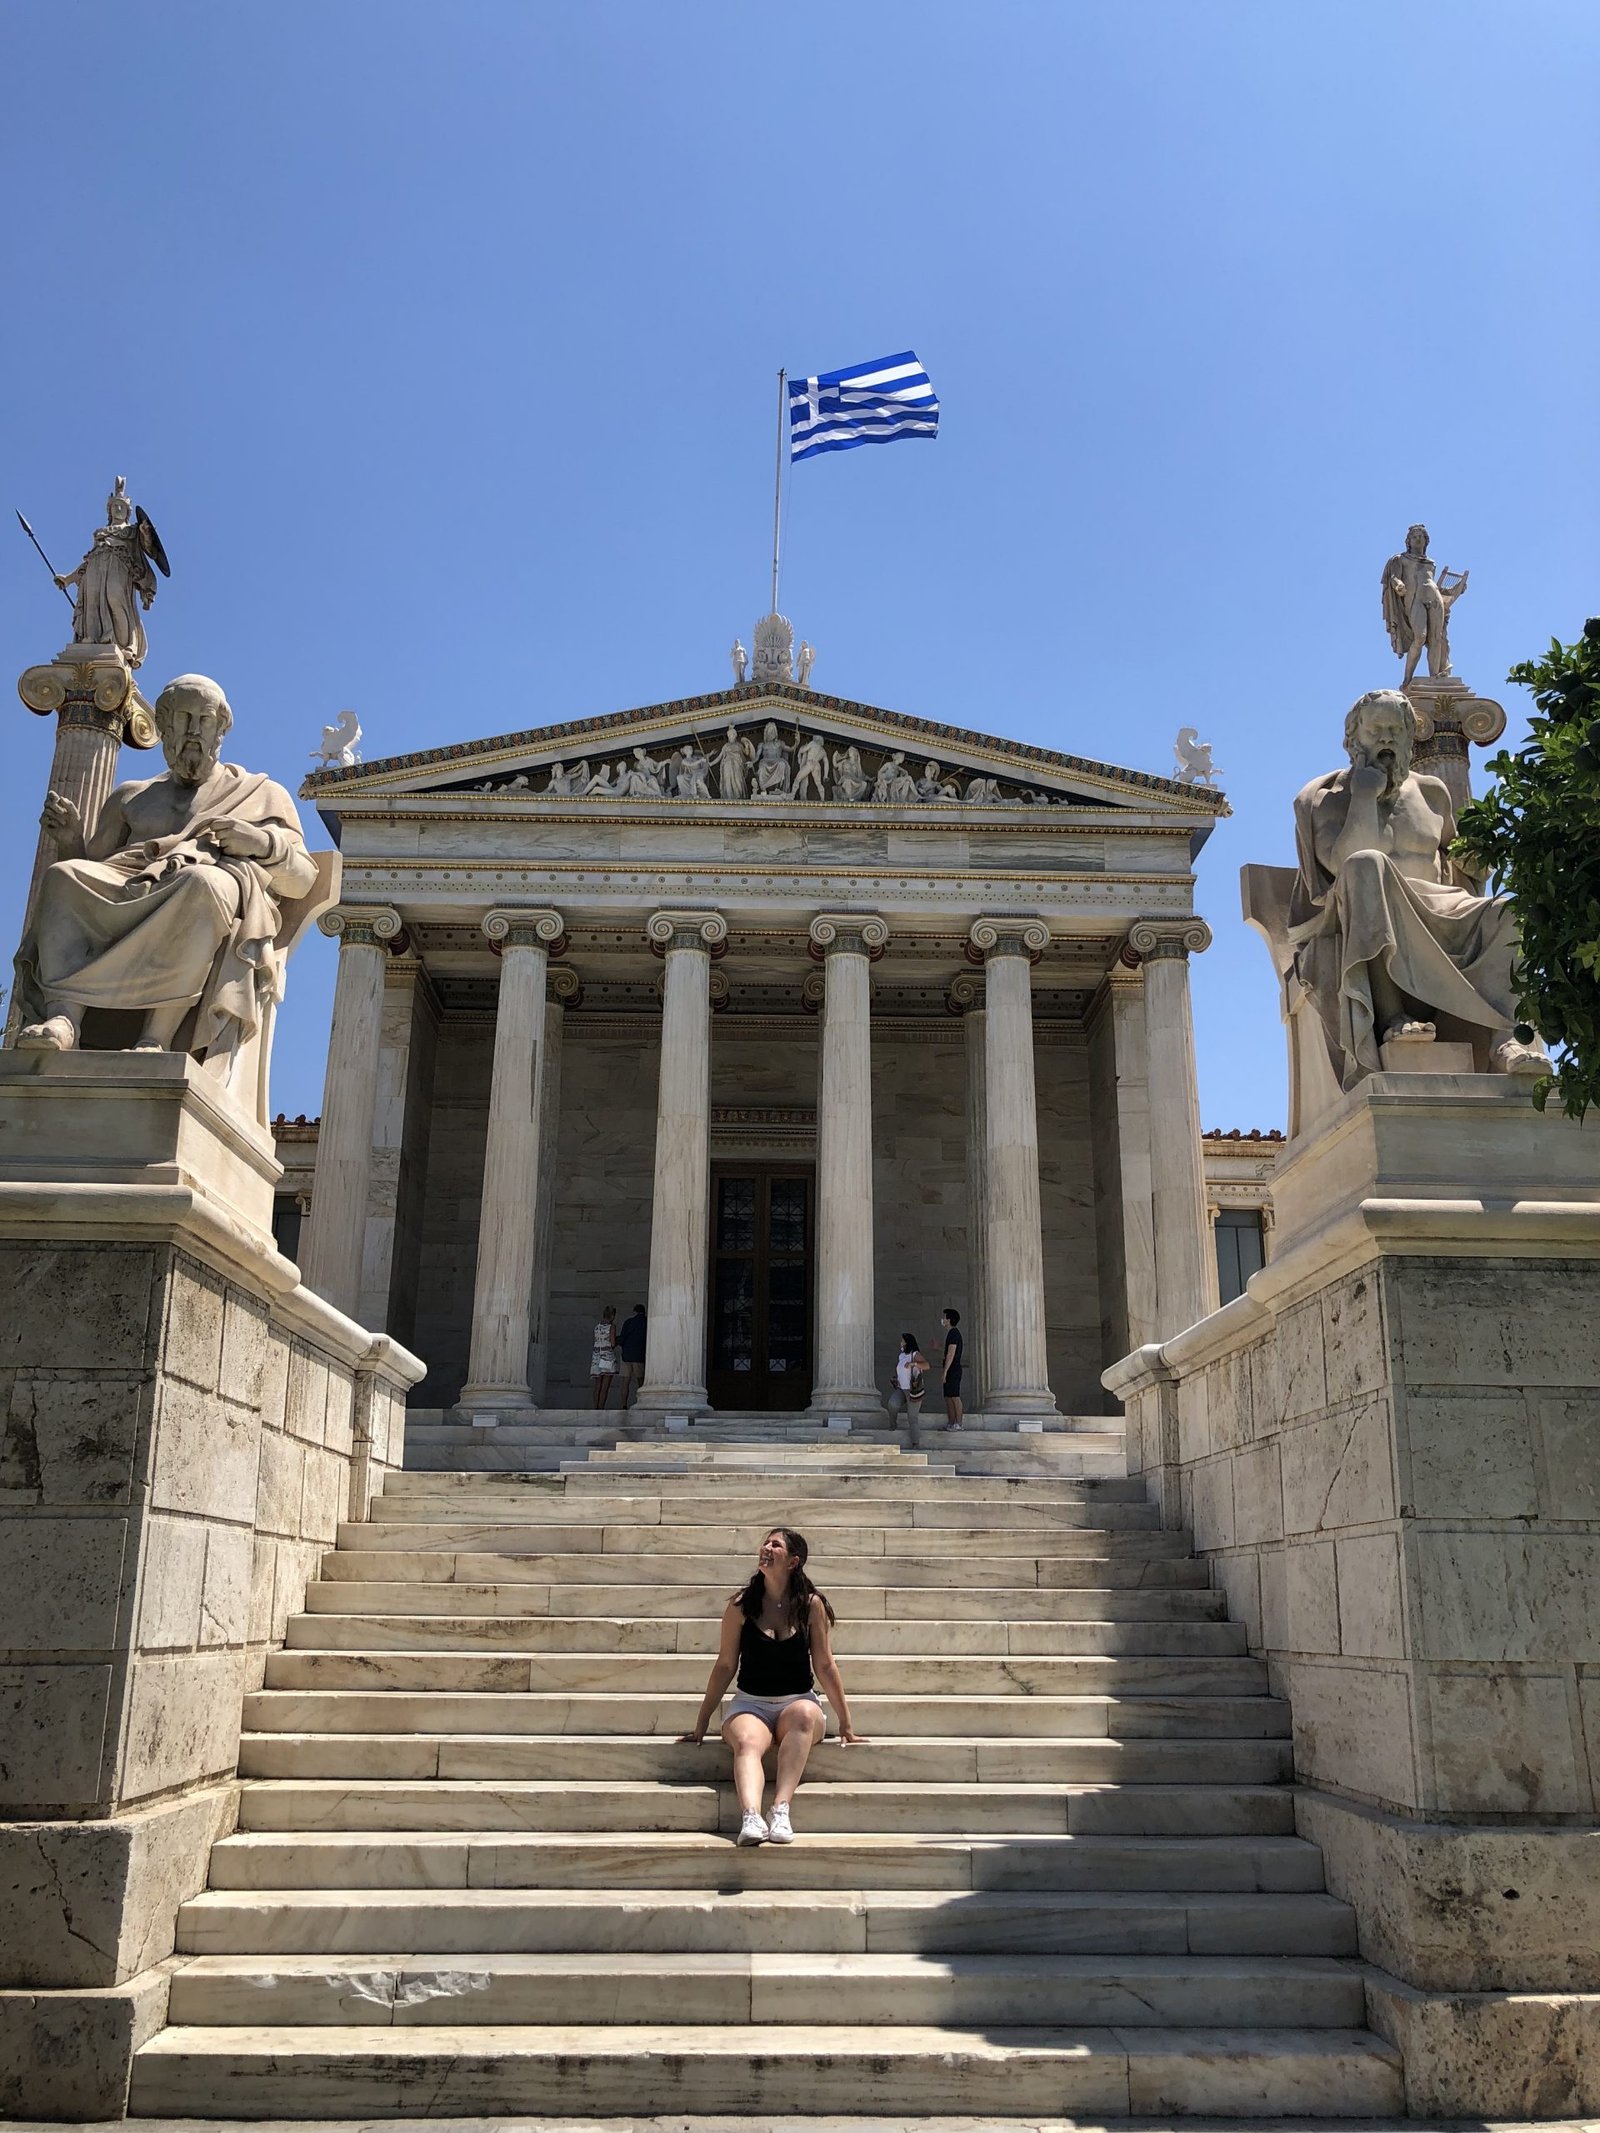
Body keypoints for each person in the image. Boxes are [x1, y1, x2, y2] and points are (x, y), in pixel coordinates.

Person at [678, 1526, 862, 1845]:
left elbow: (825, 1665)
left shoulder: (810, 1605)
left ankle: (780, 1810)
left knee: (805, 1715)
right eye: (765, 1543)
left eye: (775, 1545)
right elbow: (725, 1665)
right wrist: (702, 1721)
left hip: (798, 1700)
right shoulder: (741, 1605)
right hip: (751, 1703)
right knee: (747, 1742)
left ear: (793, 1561)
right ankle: (751, 1816)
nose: (766, 1548)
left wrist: (846, 1723)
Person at [894, 1333, 932, 1440]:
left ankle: (915, 1442)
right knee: (892, 1404)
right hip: (902, 1389)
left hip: (913, 1390)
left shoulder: (915, 1354)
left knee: (912, 1417)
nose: (900, 1343)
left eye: (902, 1341)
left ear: (907, 1342)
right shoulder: (901, 1356)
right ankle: (893, 1425)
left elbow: (927, 1365)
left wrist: (914, 1364)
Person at [617, 1303, 648, 1406]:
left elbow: (622, 1338)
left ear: (635, 1312)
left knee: (625, 1382)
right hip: (639, 1355)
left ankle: (623, 1405)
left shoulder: (629, 1322)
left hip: (627, 1356)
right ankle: (643, 1403)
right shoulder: (646, 1322)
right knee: (641, 1382)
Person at [939, 1308, 965, 1429]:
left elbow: (951, 1353)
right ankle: (951, 1423)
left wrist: (945, 1371)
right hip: (950, 1369)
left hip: (953, 1369)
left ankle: (958, 1423)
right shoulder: (951, 1334)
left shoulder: (954, 1333)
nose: (943, 1320)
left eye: (944, 1318)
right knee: (948, 1397)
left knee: (954, 1396)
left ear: (949, 1320)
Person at [589, 1304, 619, 1408]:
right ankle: (601, 1408)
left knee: (597, 1385)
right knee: (605, 1386)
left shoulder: (597, 1327)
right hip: (607, 1357)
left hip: (596, 1357)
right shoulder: (612, 1327)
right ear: (612, 1315)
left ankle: (595, 1407)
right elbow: (612, 1343)